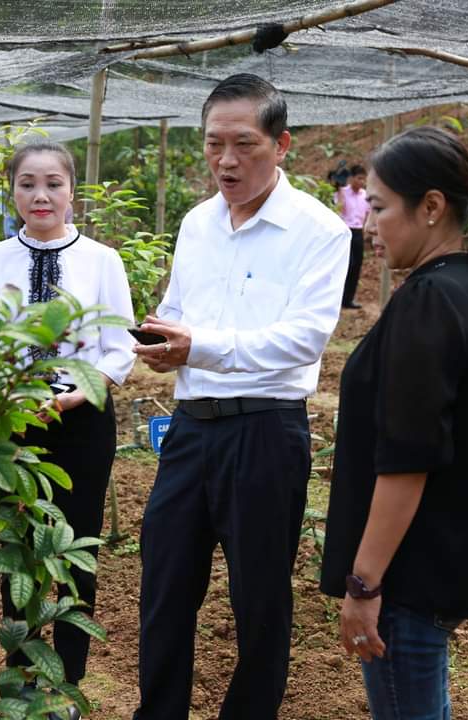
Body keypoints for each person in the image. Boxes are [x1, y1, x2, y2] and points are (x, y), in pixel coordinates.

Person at [132, 73, 350, 720]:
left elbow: (303, 340)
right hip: (190, 429)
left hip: (265, 433)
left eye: (244, 144)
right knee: (164, 586)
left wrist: (198, 346)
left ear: (281, 145)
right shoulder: (197, 224)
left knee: (260, 599)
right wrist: (162, 338)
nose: (225, 161)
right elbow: (178, 307)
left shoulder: (319, 230)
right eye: (213, 144)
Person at [320, 126, 468, 719]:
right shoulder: (464, 286)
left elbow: (408, 459)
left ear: (431, 207)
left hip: (403, 579)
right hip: (429, 564)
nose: (368, 225)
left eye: (380, 207)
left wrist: (364, 584)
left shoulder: (430, 299)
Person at [0, 141, 135, 720]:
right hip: (11, 422)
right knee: (18, 551)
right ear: (11, 190)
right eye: (28, 183)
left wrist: (77, 393)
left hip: (82, 421)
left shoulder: (102, 260)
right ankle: (21, 682)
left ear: (71, 191)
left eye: (53, 183)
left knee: (76, 549)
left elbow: (120, 347)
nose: (41, 195)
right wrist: (5, 393)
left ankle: (68, 685)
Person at [336, 164, 370, 309]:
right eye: (359, 178)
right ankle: (337, 298)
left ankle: (348, 299)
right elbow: (339, 208)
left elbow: (368, 213)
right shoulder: (342, 192)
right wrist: (340, 191)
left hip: (358, 232)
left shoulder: (365, 195)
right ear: (352, 178)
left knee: (356, 266)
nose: (361, 181)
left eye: (363, 179)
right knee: (345, 265)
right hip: (345, 230)